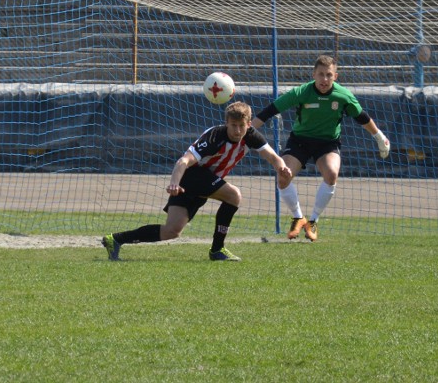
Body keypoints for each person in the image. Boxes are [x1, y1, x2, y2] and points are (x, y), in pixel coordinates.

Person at [102, 101, 292, 262]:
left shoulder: (251, 136)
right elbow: (183, 161)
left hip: (205, 181)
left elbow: (274, 157)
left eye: (241, 126)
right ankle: (217, 249)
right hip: (192, 176)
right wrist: (174, 183)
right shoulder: (214, 136)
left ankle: (115, 239)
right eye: (233, 125)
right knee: (234, 196)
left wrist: (282, 168)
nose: (237, 130)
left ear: (249, 124)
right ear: (226, 122)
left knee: (172, 230)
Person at [251, 54, 391, 241]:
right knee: (283, 176)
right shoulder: (301, 93)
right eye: (321, 74)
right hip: (300, 141)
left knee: (331, 174)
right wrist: (246, 134)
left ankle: (313, 221)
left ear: (335, 76)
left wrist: (380, 137)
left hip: (327, 143)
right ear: (313, 75)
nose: (325, 79)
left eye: (329, 75)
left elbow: (362, 117)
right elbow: (269, 112)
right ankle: (298, 217)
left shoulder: (343, 96)